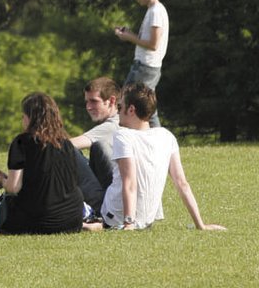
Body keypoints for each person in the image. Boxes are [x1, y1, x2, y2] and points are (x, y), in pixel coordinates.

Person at [95, 84, 225, 231]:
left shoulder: (123, 135)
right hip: (146, 220)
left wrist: (129, 223)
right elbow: (182, 183)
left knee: (88, 155)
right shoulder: (166, 136)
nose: (118, 112)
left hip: (115, 217)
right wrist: (200, 225)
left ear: (131, 110)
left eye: (120, 107)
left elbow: (130, 182)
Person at [0, 93, 84, 234]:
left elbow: (13, 188)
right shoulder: (67, 144)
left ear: (30, 118)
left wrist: (3, 181)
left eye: (23, 116)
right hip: (72, 220)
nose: (22, 120)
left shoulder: (22, 142)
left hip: (36, 221)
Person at [114, 0, 169, 126]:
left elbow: (153, 44)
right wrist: (130, 33)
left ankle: (126, 137)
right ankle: (157, 142)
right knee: (148, 107)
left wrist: (129, 38)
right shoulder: (153, 11)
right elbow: (146, 40)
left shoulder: (156, 12)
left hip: (145, 66)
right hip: (147, 66)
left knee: (126, 100)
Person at [69, 77, 121, 191]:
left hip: (114, 197)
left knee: (71, 152)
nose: (88, 107)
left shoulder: (112, 125)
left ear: (111, 101)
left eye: (94, 101)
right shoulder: (120, 121)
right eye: (87, 101)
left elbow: (69, 145)